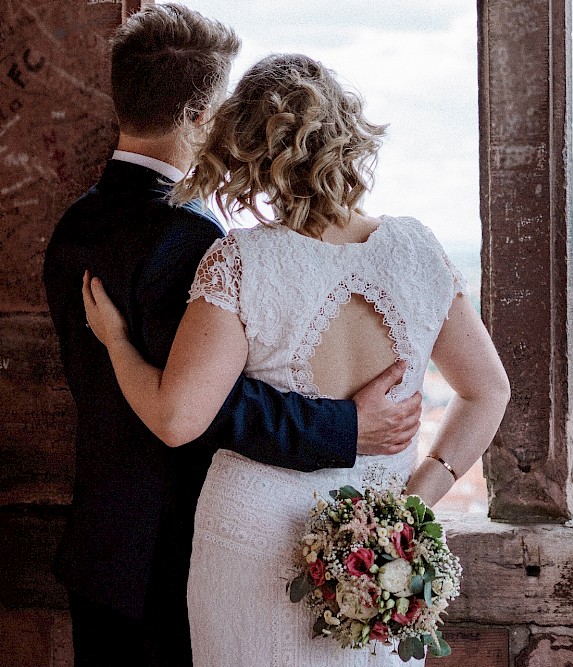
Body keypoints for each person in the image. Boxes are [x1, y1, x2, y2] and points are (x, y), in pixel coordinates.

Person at [82, 52, 510, 666]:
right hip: (381, 554)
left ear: (246, 151)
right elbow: (488, 391)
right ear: (346, 137)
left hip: (252, 543)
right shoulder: (416, 249)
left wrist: (117, 344)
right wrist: (414, 502)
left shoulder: (243, 262)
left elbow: (177, 419)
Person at [43, 7, 420, 666]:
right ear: (196, 117)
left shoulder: (73, 226)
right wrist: (346, 427)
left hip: (100, 549)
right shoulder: (186, 236)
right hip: (168, 559)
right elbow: (207, 405)